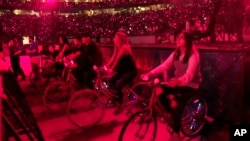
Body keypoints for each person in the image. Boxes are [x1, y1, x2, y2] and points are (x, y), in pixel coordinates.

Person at [142, 30, 202, 136]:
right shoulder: (175, 53)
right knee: (158, 90)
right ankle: (171, 114)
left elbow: (190, 75)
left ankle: (176, 132)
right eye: (178, 37)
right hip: (178, 83)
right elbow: (165, 65)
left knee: (176, 104)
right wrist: (151, 73)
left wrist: (178, 80)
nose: (178, 39)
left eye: (181, 38)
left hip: (191, 85)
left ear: (188, 41)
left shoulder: (194, 55)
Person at [106, 31, 137, 113]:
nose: (114, 39)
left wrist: (112, 68)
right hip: (123, 70)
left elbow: (117, 60)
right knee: (110, 81)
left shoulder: (124, 47)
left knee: (119, 85)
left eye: (116, 37)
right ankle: (117, 98)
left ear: (120, 39)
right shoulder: (118, 47)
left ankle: (120, 103)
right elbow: (113, 57)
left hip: (130, 71)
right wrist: (106, 66)